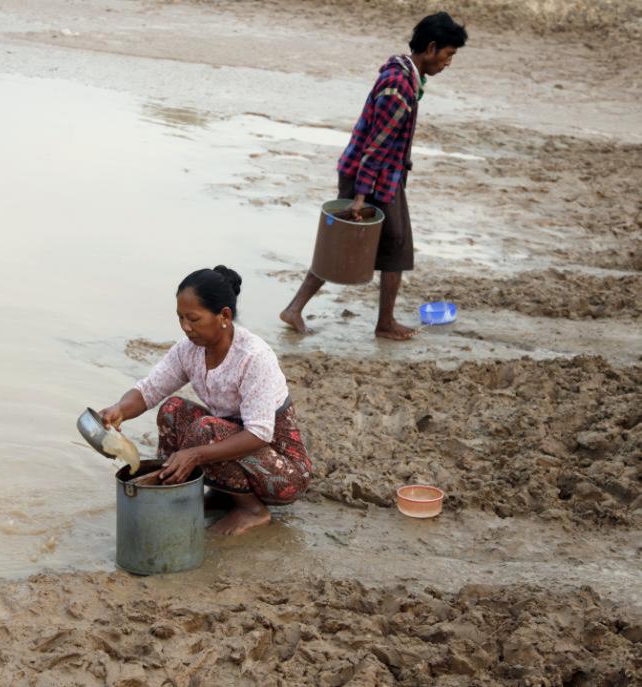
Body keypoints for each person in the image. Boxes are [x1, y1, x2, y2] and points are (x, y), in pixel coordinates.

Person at [280, 12, 468, 341]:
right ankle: (378, 323)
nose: (449, 62)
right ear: (431, 48)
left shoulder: (406, 74)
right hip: (370, 179)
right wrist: (360, 197)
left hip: (382, 177)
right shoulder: (399, 87)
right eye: (448, 54)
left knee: (374, 246)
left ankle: (307, 310)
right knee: (360, 246)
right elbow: (375, 149)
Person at [99, 266, 313, 536]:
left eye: (193, 319)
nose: (186, 327)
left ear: (223, 315)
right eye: (180, 318)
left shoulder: (253, 356)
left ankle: (252, 509)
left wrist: (195, 454)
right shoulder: (188, 351)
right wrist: (119, 410)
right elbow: (149, 390)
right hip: (235, 452)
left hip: (281, 472)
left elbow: (259, 433)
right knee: (172, 410)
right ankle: (207, 494)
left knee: (206, 431)